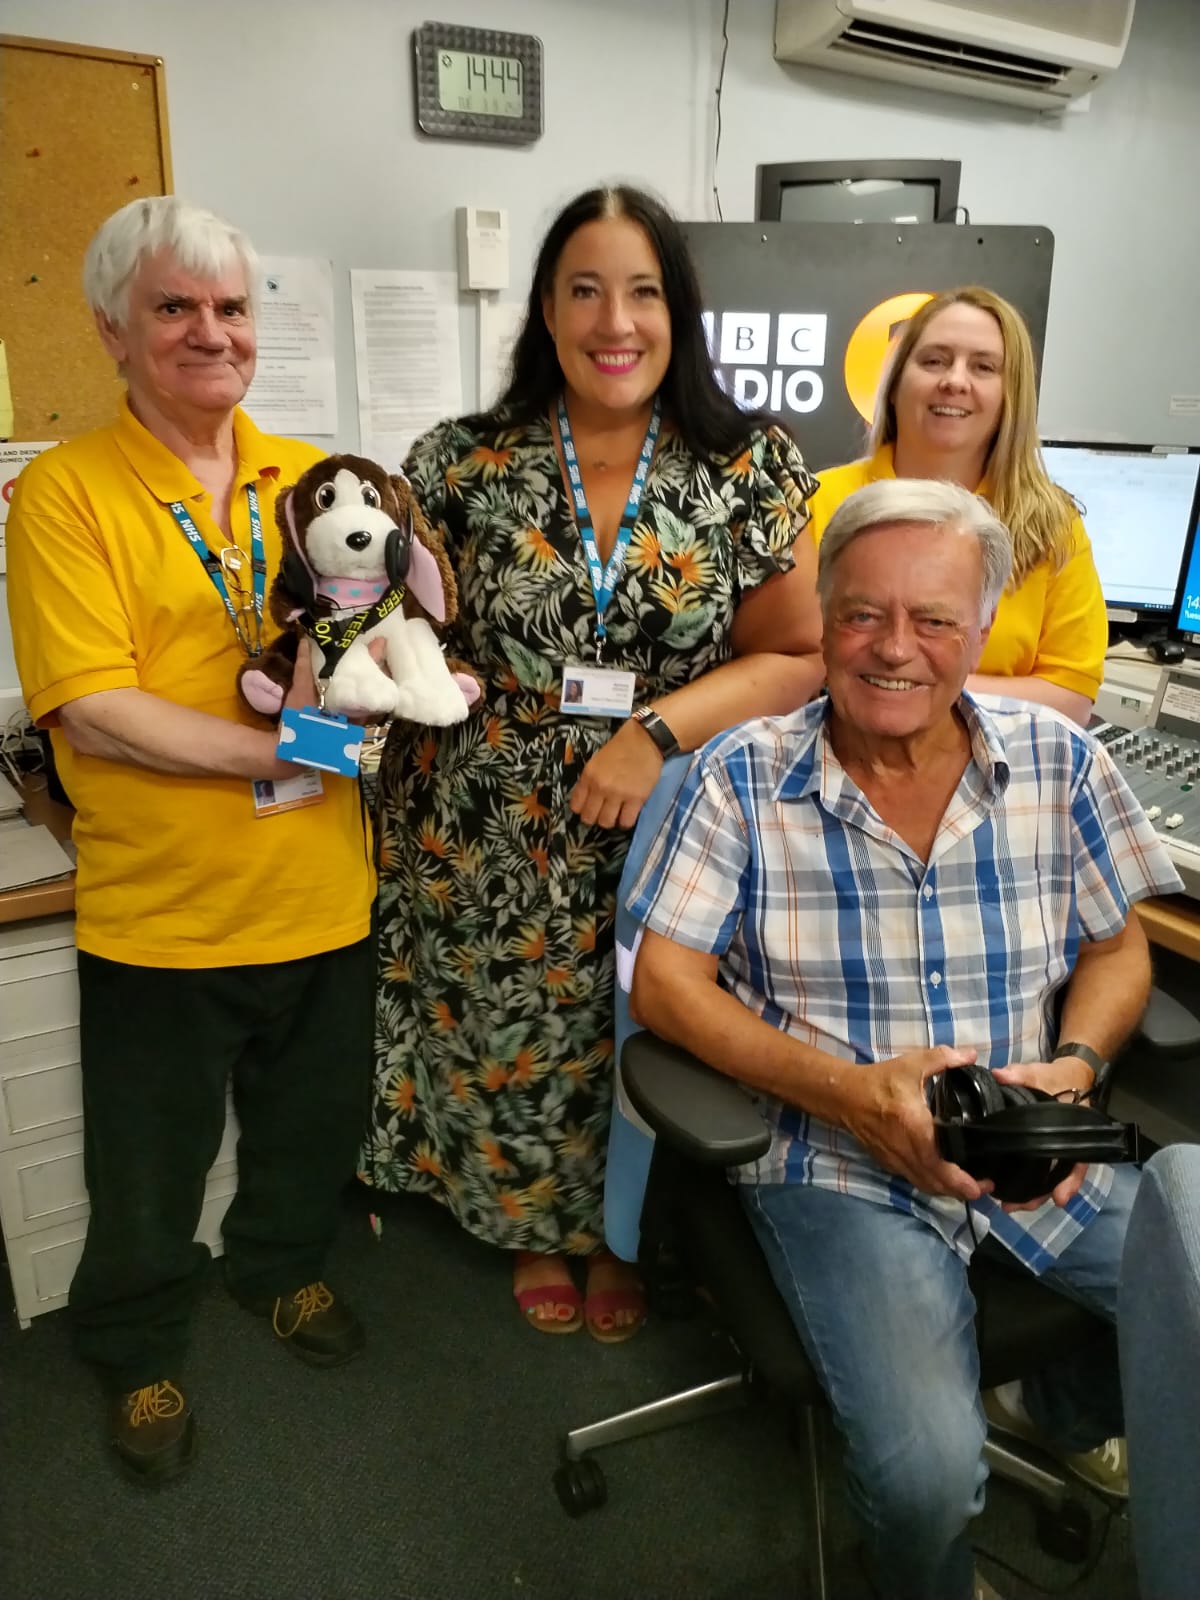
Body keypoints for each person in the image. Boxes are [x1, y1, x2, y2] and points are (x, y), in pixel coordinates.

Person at [629, 478, 1182, 1600]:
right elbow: (664, 985)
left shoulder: (1061, 761)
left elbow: (1123, 952)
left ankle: (1055, 1409)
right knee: (931, 1480)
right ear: (823, 619)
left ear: (981, 630)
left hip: (1032, 1136)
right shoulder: (741, 777)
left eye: (934, 619)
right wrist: (847, 1094)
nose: (895, 649)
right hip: (838, 1160)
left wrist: (1075, 1066)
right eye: (863, 614)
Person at [361, 184, 825, 1339]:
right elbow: (405, 632)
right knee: (511, 1027)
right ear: (546, 311)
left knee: (636, 1025)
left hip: (667, 806)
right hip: (487, 818)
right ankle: (535, 1226)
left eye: (643, 291)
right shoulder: (461, 462)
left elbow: (800, 653)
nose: (614, 321)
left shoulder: (748, 464)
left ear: (679, 311)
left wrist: (651, 730)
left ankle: (628, 1231)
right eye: (584, 290)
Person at [5, 197, 375, 1482]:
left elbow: (367, 640)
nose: (209, 333)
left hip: (324, 893)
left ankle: (281, 1268)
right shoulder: (63, 492)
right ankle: (137, 1342)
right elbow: (96, 716)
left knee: (311, 1126)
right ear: (113, 330)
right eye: (174, 307)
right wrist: (296, 750)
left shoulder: (308, 478)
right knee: (149, 1167)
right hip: (162, 915)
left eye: (229, 307)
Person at [805, 287, 1108, 725]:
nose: (955, 380)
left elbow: (1071, 696)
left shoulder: (1053, 527)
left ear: (1011, 396)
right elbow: (792, 666)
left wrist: (915, 686)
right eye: (934, 360)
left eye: (983, 367)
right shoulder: (811, 504)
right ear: (893, 384)